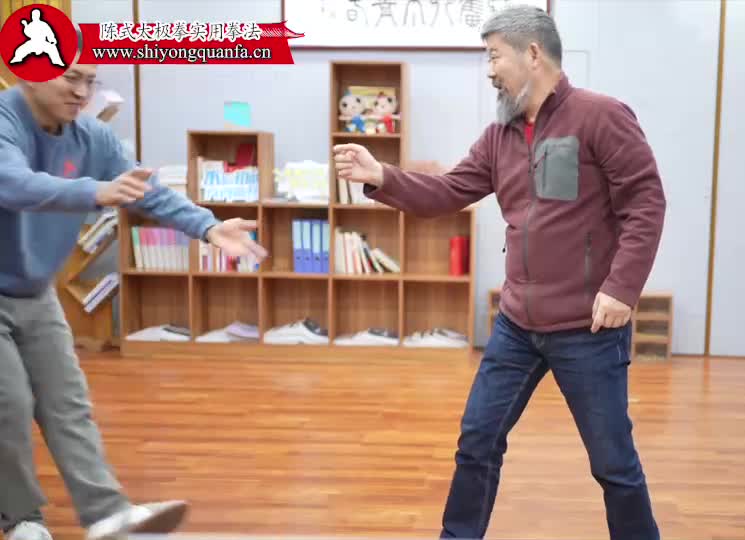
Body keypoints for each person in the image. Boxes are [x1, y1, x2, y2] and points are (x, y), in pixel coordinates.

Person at [333, 6, 665, 539]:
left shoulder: (600, 116)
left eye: (494, 56)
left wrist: (621, 288)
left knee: (613, 464)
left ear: (533, 54)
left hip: (588, 327)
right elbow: (448, 191)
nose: (489, 70)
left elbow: (645, 203)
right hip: (517, 326)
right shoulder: (499, 136)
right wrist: (382, 176)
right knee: (477, 442)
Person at [0, 63, 268, 540]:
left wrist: (208, 226)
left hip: (35, 290)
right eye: (71, 78)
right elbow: (11, 183)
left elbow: (148, 192)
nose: (83, 92)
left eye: (91, 81)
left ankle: (107, 514)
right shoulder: (6, 119)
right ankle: (22, 518)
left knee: (68, 402)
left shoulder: (91, 138)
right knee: (10, 403)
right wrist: (95, 190)